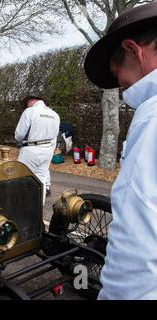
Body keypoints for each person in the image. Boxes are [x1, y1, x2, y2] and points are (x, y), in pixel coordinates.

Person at [84, 2, 157, 300]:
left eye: (117, 75)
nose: (121, 87)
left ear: (133, 50)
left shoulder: (152, 116)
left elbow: (139, 244)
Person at [15, 94, 60, 203]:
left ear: (31, 101)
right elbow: (55, 135)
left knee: (23, 178)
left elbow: (19, 134)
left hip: (31, 150)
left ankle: (21, 206)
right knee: (41, 179)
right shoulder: (54, 114)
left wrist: (19, 140)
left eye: (27, 104)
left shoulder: (30, 111)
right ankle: (39, 207)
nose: (27, 106)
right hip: (47, 150)